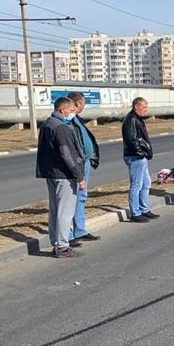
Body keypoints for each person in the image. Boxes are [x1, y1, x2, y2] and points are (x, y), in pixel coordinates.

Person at [35, 96, 86, 258]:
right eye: (71, 111)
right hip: (64, 174)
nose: (72, 114)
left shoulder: (47, 125)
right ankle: (63, 246)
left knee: (55, 210)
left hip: (51, 173)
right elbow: (67, 154)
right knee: (65, 211)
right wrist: (79, 176)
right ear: (62, 110)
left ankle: (56, 242)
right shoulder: (61, 127)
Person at [68, 92, 101, 244]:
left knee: (81, 197)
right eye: (83, 103)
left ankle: (79, 230)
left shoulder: (77, 119)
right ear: (79, 103)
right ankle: (67, 235)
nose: (84, 106)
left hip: (85, 162)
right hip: (76, 164)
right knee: (71, 199)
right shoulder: (67, 120)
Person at [122, 97, 157, 222]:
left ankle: (144, 209)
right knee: (136, 185)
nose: (146, 110)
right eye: (144, 107)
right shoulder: (131, 119)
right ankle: (135, 213)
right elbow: (131, 140)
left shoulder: (138, 119)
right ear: (136, 106)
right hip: (135, 156)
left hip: (140, 156)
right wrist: (141, 153)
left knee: (146, 183)